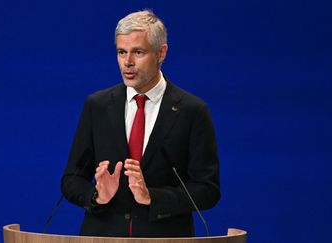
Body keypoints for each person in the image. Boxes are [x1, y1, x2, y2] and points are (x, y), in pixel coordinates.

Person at [61, 10, 220, 237]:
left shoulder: (192, 111)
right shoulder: (97, 105)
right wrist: (97, 196)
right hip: (104, 236)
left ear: (161, 52)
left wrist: (152, 197)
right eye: (121, 52)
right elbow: (71, 180)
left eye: (138, 52)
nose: (128, 62)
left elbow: (208, 189)